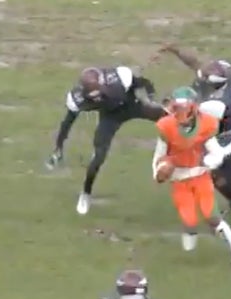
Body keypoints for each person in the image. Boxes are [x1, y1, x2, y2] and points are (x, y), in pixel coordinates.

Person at [154, 44, 231, 226]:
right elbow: (196, 63)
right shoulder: (225, 74)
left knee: (216, 176)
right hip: (224, 133)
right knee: (220, 178)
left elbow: (189, 119)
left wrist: (169, 108)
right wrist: (176, 49)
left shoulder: (216, 105)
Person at [151, 86, 231, 272]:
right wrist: (159, 171)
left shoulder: (206, 124)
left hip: (200, 175)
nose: (182, 120)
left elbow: (217, 152)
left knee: (212, 217)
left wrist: (212, 160)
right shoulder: (166, 126)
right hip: (179, 178)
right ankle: (188, 261)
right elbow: (158, 156)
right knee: (189, 222)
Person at [45, 66, 166, 215]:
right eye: (92, 96)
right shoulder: (78, 98)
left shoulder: (120, 77)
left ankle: (196, 143)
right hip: (110, 117)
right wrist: (58, 147)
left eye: (98, 93)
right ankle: (86, 193)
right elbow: (67, 124)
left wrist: (150, 98)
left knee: (170, 118)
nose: (96, 98)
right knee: (98, 156)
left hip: (132, 105)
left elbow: (144, 83)